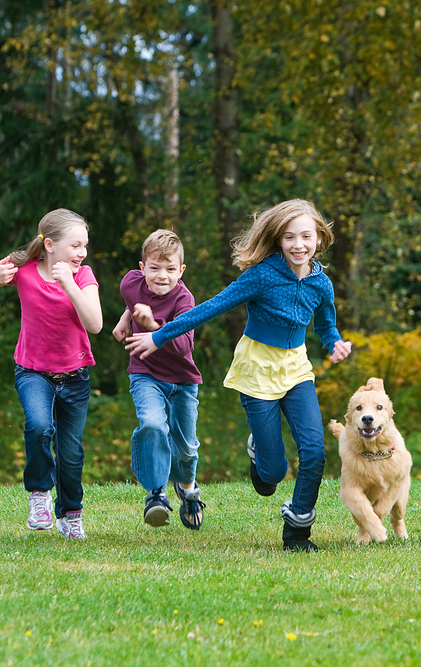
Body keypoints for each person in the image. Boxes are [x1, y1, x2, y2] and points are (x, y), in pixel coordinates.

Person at [125, 199, 352, 552]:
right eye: (290, 237)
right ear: (278, 240)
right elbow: (210, 308)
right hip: (256, 370)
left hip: (295, 369)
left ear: (319, 239)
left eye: (306, 236)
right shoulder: (262, 276)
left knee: (315, 451)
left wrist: (335, 343)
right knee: (272, 475)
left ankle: (297, 531)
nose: (298, 245)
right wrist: (159, 335)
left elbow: (326, 326)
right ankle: (260, 453)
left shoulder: (321, 284)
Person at [0, 209, 102, 540]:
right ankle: (39, 495)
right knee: (39, 426)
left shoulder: (82, 276)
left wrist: (68, 284)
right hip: (33, 373)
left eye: (84, 245)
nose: (82, 253)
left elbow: (95, 324)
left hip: (75, 378)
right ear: (50, 245)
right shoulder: (24, 270)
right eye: (75, 245)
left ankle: (70, 513)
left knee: (71, 455)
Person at [112, 229, 206, 530]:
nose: (161, 275)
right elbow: (132, 296)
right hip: (146, 373)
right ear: (142, 269)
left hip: (183, 380)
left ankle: (188, 488)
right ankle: (156, 494)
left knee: (186, 446)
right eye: (154, 268)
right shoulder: (131, 283)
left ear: (181, 270)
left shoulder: (184, 299)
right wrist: (126, 317)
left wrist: (154, 325)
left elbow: (184, 346)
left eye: (169, 269)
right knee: (153, 425)